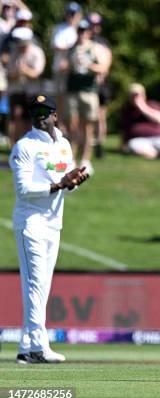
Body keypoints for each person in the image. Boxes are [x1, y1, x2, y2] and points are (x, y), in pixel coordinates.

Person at [9, 94, 89, 364]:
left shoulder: (64, 145)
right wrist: (59, 185)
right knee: (34, 284)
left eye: (45, 111)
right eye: (35, 111)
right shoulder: (25, 147)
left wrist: (74, 181)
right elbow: (24, 190)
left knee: (42, 285)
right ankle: (38, 348)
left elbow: (65, 185)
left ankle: (25, 345)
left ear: (56, 116)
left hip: (54, 223)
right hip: (31, 223)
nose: (40, 116)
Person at [61, 19, 110, 175]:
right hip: (72, 91)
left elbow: (103, 68)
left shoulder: (95, 48)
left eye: (84, 31)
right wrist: (69, 65)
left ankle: (85, 160)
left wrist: (88, 65)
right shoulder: (71, 49)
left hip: (89, 91)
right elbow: (63, 68)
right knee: (72, 126)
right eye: (79, 31)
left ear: (89, 32)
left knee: (87, 127)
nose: (82, 34)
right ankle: (72, 159)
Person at [120, 83, 160, 162]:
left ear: (144, 95)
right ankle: (158, 156)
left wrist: (142, 107)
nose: (135, 98)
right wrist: (122, 144)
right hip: (138, 140)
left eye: (138, 95)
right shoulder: (126, 110)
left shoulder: (153, 104)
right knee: (147, 153)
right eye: (133, 95)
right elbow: (124, 129)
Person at [6, 27, 45, 146]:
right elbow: (8, 73)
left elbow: (37, 73)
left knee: (30, 121)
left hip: (32, 92)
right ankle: (14, 148)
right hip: (16, 90)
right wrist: (16, 73)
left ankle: (29, 147)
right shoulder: (14, 52)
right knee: (15, 118)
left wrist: (24, 70)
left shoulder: (37, 52)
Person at [51, 2, 81, 126]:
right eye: (69, 13)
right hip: (60, 70)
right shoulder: (59, 28)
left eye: (74, 14)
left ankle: (75, 131)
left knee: (75, 102)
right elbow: (56, 46)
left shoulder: (81, 28)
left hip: (76, 71)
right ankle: (61, 126)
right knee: (60, 100)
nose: (71, 16)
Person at [88, 11, 112, 159]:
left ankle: (100, 145)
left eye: (97, 24)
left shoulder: (103, 42)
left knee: (100, 116)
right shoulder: (83, 40)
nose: (94, 27)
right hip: (86, 85)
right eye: (92, 24)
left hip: (100, 84)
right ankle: (88, 144)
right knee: (88, 117)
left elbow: (107, 62)